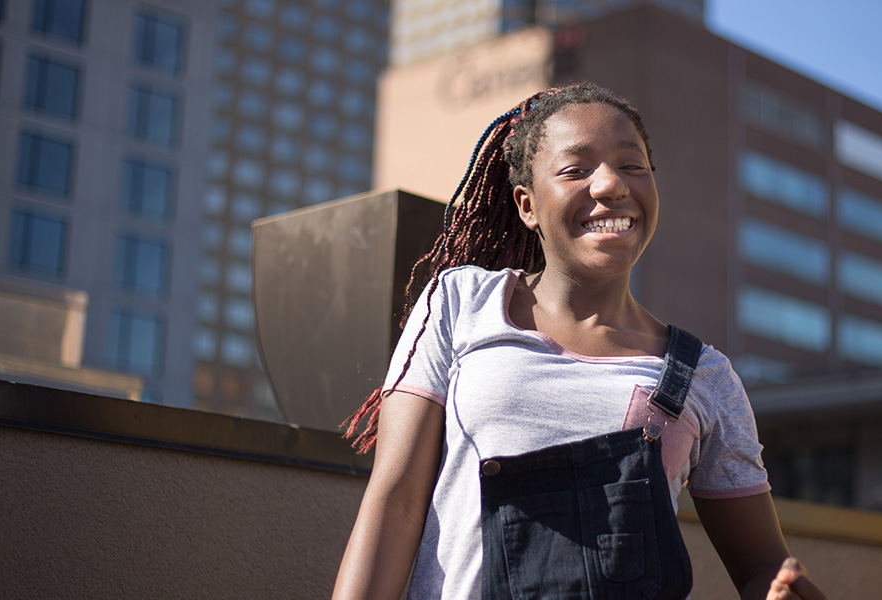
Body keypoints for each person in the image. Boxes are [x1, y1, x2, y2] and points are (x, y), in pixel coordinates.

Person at [332, 82, 825, 600]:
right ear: (527, 205)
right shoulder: (461, 303)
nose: (611, 184)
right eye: (576, 169)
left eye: (632, 166)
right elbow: (396, 502)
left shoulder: (705, 375)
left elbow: (762, 567)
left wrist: (787, 591)